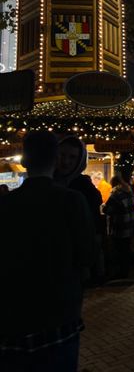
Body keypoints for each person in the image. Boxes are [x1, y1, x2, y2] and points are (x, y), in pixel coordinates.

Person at [0, 130, 96, 372]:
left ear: (23, 162)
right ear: (55, 159)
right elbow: (88, 255)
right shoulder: (72, 201)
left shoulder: (5, 205)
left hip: (13, 320)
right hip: (58, 316)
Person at [56, 136, 105, 285]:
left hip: (75, 260)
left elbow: (90, 227)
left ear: (80, 160)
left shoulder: (84, 187)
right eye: (62, 155)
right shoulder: (49, 182)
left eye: (72, 157)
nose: (66, 161)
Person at [103, 175, 134, 279]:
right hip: (129, 225)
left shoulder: (115, 195)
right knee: (126, 249)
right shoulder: (129, 192)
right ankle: (126, 270)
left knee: (119, 250)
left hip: (119, 226)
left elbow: (107, 210)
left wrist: (103, 207)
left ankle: (121, 272)